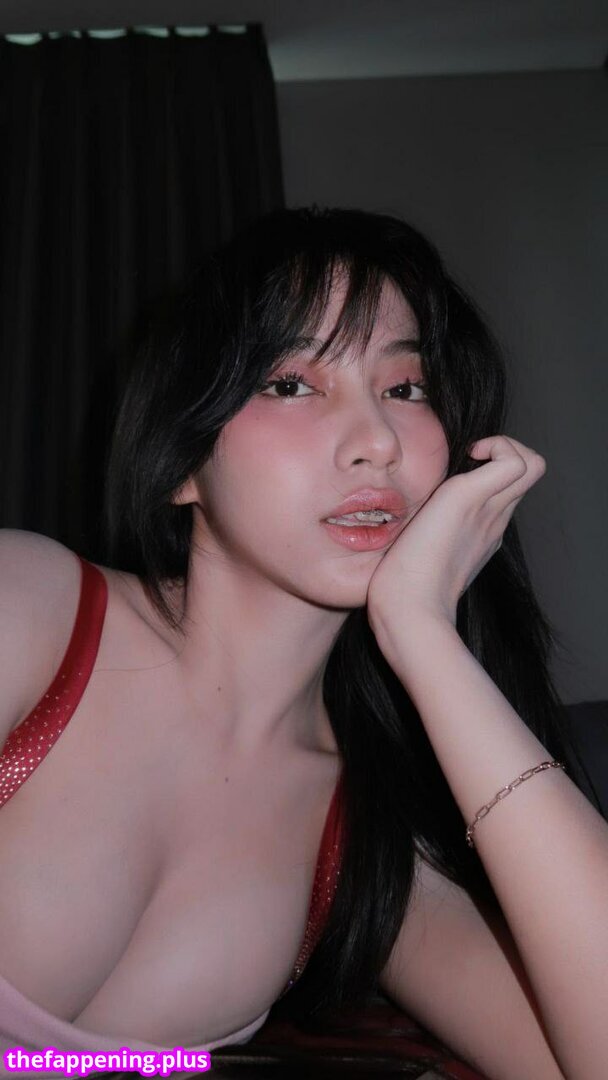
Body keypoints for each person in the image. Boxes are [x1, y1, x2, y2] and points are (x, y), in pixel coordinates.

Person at [0, 206, 606, 1080]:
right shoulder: (30, 612)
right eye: (290, 384)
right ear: (182, 460)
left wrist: (426, 637)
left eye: (407, 389)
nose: (378, 442)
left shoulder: (362, 842)